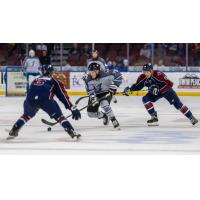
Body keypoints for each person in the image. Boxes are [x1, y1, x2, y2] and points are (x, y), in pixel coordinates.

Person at [8, 65, 81, 140]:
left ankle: (14, 129)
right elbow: (63, 96)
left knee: (26, 115)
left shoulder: (35, 80)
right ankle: (71, 132)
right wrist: (72, 107)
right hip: (45, 101)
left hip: (30, 100)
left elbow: (31, 92)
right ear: (51, 72)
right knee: (60, 117)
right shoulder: (54, 81)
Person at [123, 63, 198, 126]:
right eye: (144, 71)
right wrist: (130, 89)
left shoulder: (158, 74)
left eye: (147, 71)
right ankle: (154, 117)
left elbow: (170, 84)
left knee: (178, 105)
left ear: (151, 71)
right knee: (145, 99)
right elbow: (138, 86)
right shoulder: (142, 77)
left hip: (166, 91)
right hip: (154, 92)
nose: (146, 73)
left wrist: (159, 90)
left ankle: (191, 117)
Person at [83, 62, 123, 129]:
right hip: (96, 95)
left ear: (97, 71)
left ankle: (113, 120)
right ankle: (104, 116)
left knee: (104, 104)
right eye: (90, 72)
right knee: (90, 113)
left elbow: (119, 75)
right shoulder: (88, 79)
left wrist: (114, 85)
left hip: (106, 92)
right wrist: (93, 97)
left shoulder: (106, 74)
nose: (91, 74)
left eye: (92, 72)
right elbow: (90, 90)